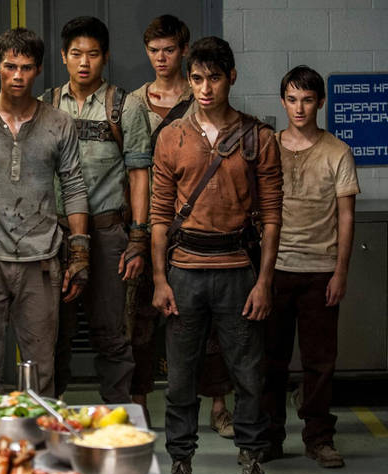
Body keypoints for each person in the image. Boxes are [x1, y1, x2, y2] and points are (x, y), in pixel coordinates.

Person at [151, 36, 283, 474]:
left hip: (238, 272)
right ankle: (181, 462)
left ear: (231, 78)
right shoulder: (172, 137)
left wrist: (264, 283)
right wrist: (160, 280)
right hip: (184, 273)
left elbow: (272, 217)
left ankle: (251, 461)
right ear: (189, 81)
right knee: (180, 380)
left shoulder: (258, 138)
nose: (205, 88)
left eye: (215, 78)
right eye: (197, 79)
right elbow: (159, 216)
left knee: (248, 376)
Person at [129, 14, 235, 436]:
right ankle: (140, 405)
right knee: (142, 320)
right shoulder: (133, 102)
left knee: (211, 324)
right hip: (150, 223)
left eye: (169, 50)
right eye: (154, 50)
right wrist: (137, 231)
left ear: (184, 51)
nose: (161, 58)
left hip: (198, 224)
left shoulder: (203, 96)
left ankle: (219, 405)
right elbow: (132, 169)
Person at [0, 28, 89, 397]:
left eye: (26, 67)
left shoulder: (58, 123)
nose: (17, 76)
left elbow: (74, 186)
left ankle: (39, 432)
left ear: (38, 69)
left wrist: (80, 252)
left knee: (40, 368)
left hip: (41, 259)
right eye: (10, 66)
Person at [43, 16, 153, 404]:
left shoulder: (125, 106)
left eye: (92, 54)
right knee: (53, 334)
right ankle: (48, 416)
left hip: (108, 234)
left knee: (112, 333)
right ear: (63, 56)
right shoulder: (46, 105)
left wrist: (138, 237)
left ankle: (118, 417)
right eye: (76, 54)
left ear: (105, 57)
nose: (84, 62)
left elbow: (139, 175)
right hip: (55, 235)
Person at [261, 65, 359, 469]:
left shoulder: (338, 151)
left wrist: (340, 271)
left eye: (307, 99)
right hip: (275, 269)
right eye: (292, 99)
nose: (299, 108)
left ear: (320, 102)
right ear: (282, 102)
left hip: (320, 270)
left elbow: (346, 216)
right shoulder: (268, 146)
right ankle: (270, 437)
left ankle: (319, 438)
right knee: (270, 361)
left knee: (319, 363)